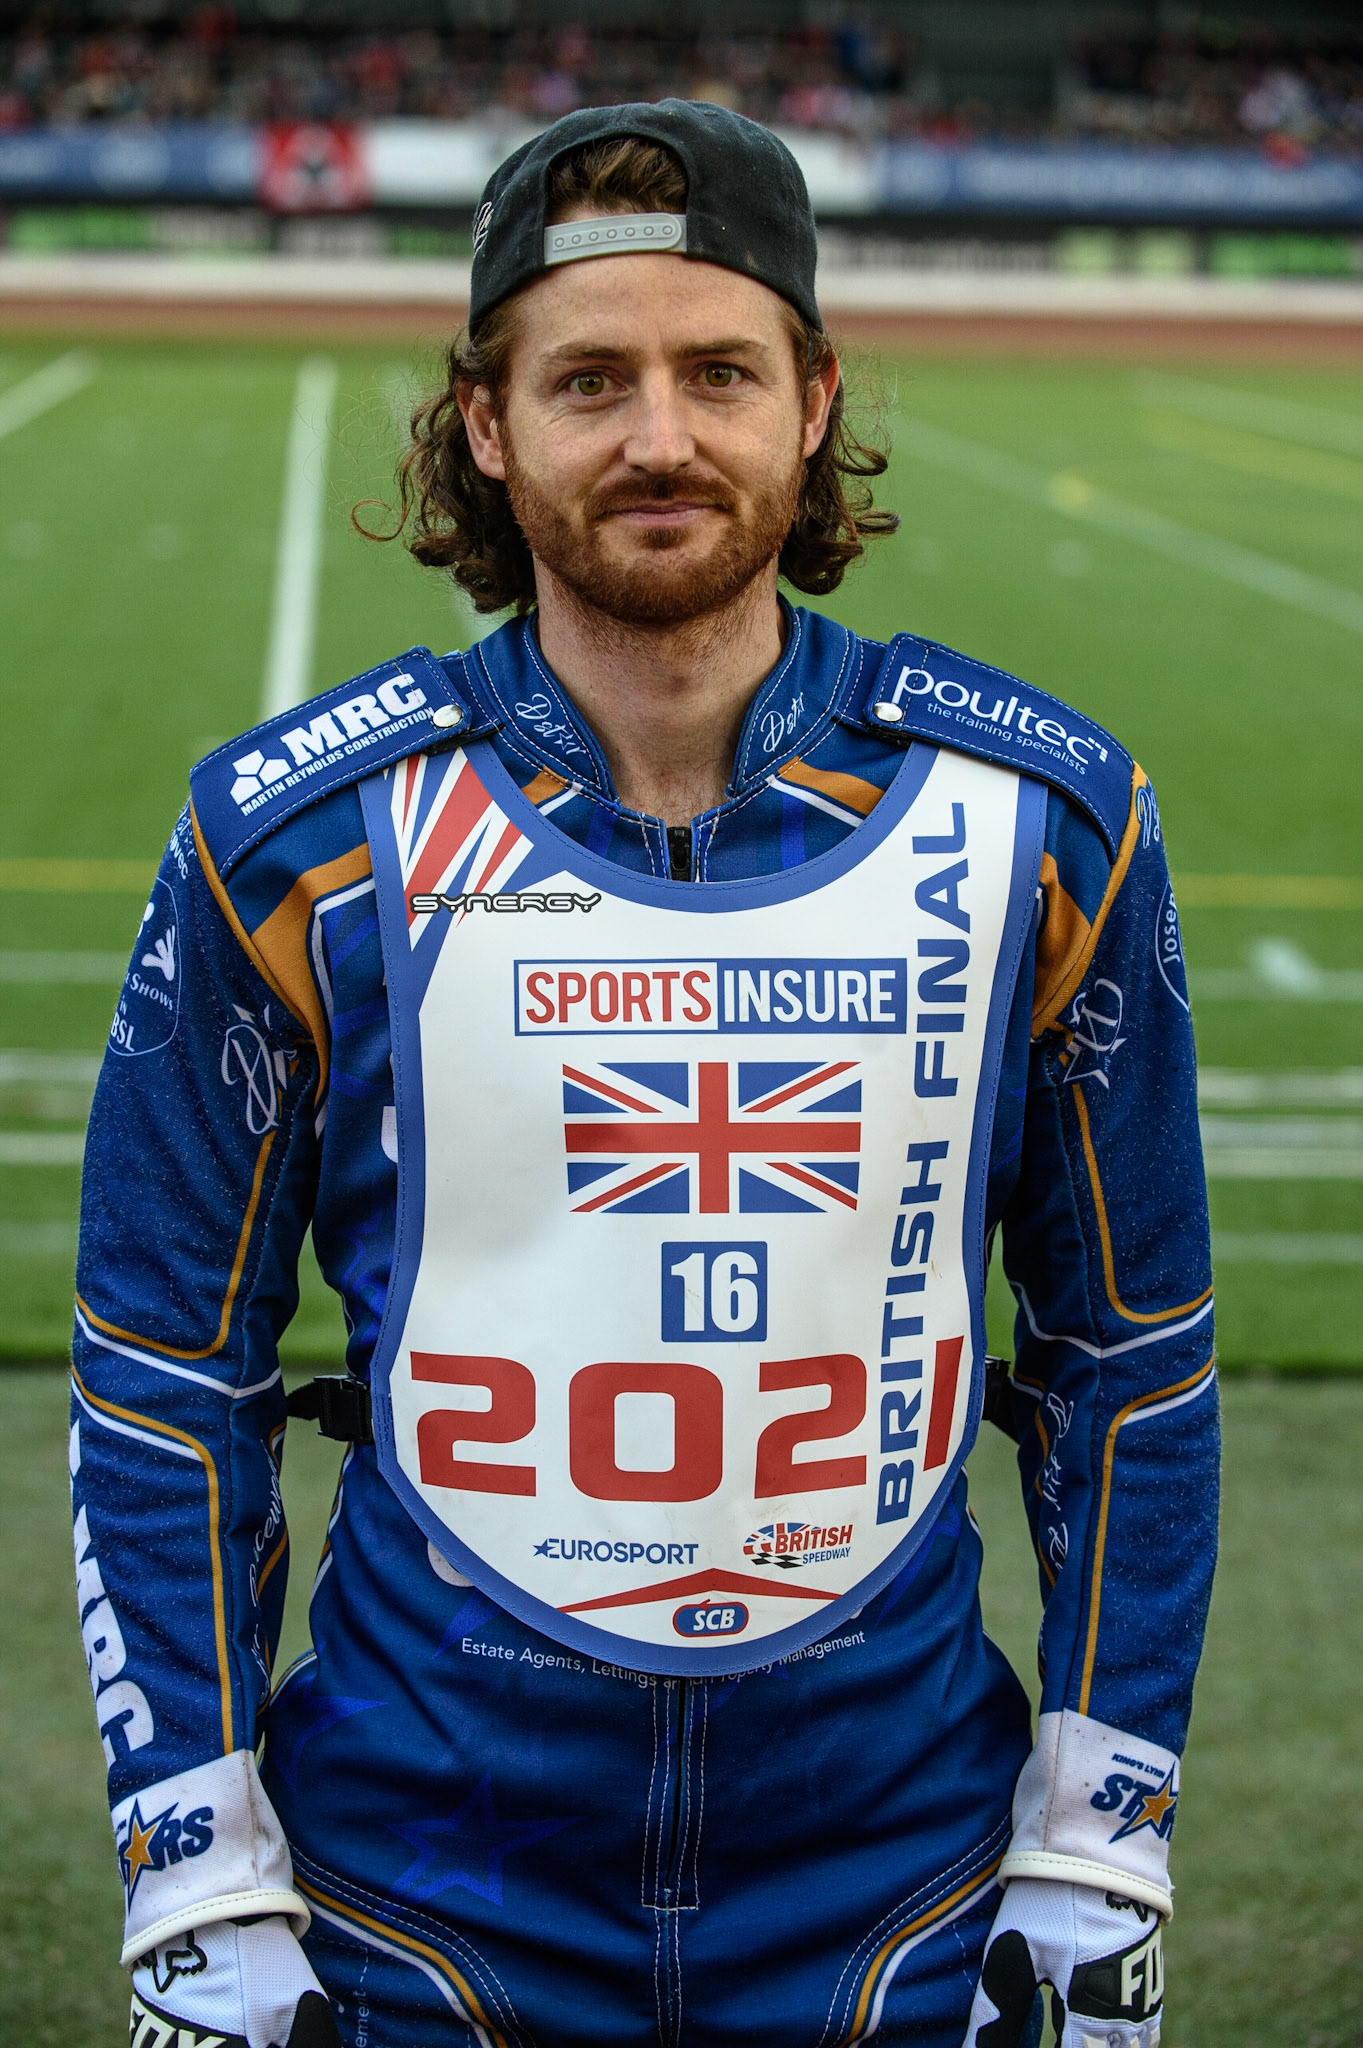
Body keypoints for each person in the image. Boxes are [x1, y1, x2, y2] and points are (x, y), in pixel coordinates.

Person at [73, 101, 1217, 2048]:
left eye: (719, 373)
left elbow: (1132, 1356)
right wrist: (191, 1861)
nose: (661, 437)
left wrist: (1103, 1831)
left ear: (813, 399)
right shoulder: (296, 845)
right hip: (416, 1901)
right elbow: (166, 1378)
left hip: (899, 1900)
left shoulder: (1044, 819)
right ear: (487, 419)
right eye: (589, 379)